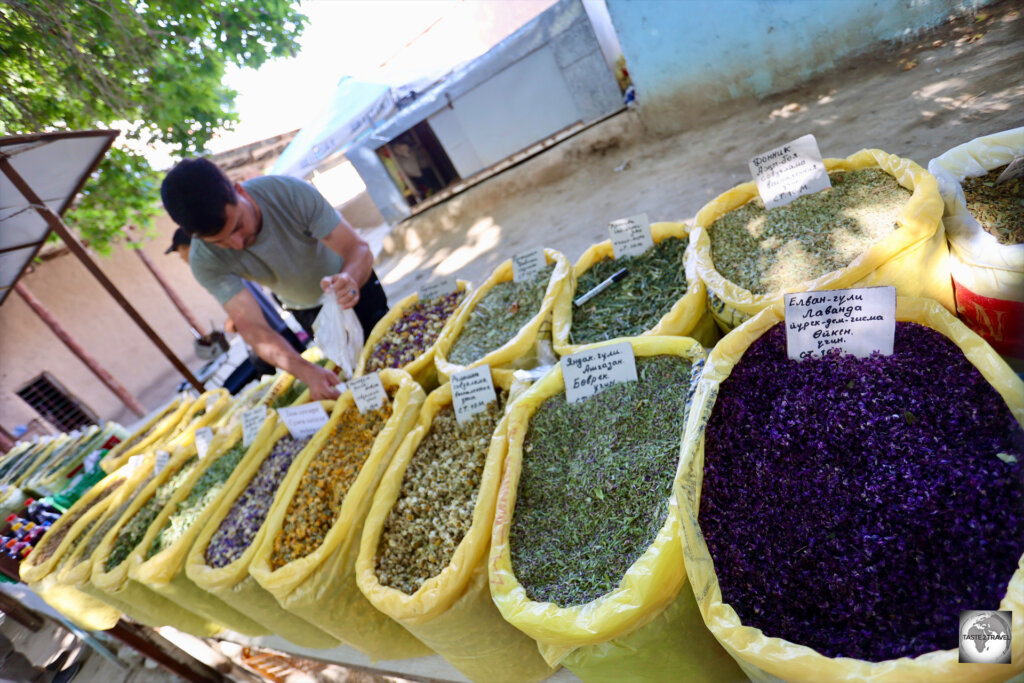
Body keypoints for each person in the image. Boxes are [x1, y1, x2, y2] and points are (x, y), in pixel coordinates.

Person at [160, 158, 389, 400]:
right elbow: (252, 327)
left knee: (391, 353)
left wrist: (349, 278)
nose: (236, 245)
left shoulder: (289, 193)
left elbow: (358, 249)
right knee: (356, 378)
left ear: (240, 192)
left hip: (356, 284)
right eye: (220, 242)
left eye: (238, 226)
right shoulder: (204, 260)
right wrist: (306, 371)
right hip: (304, 308)